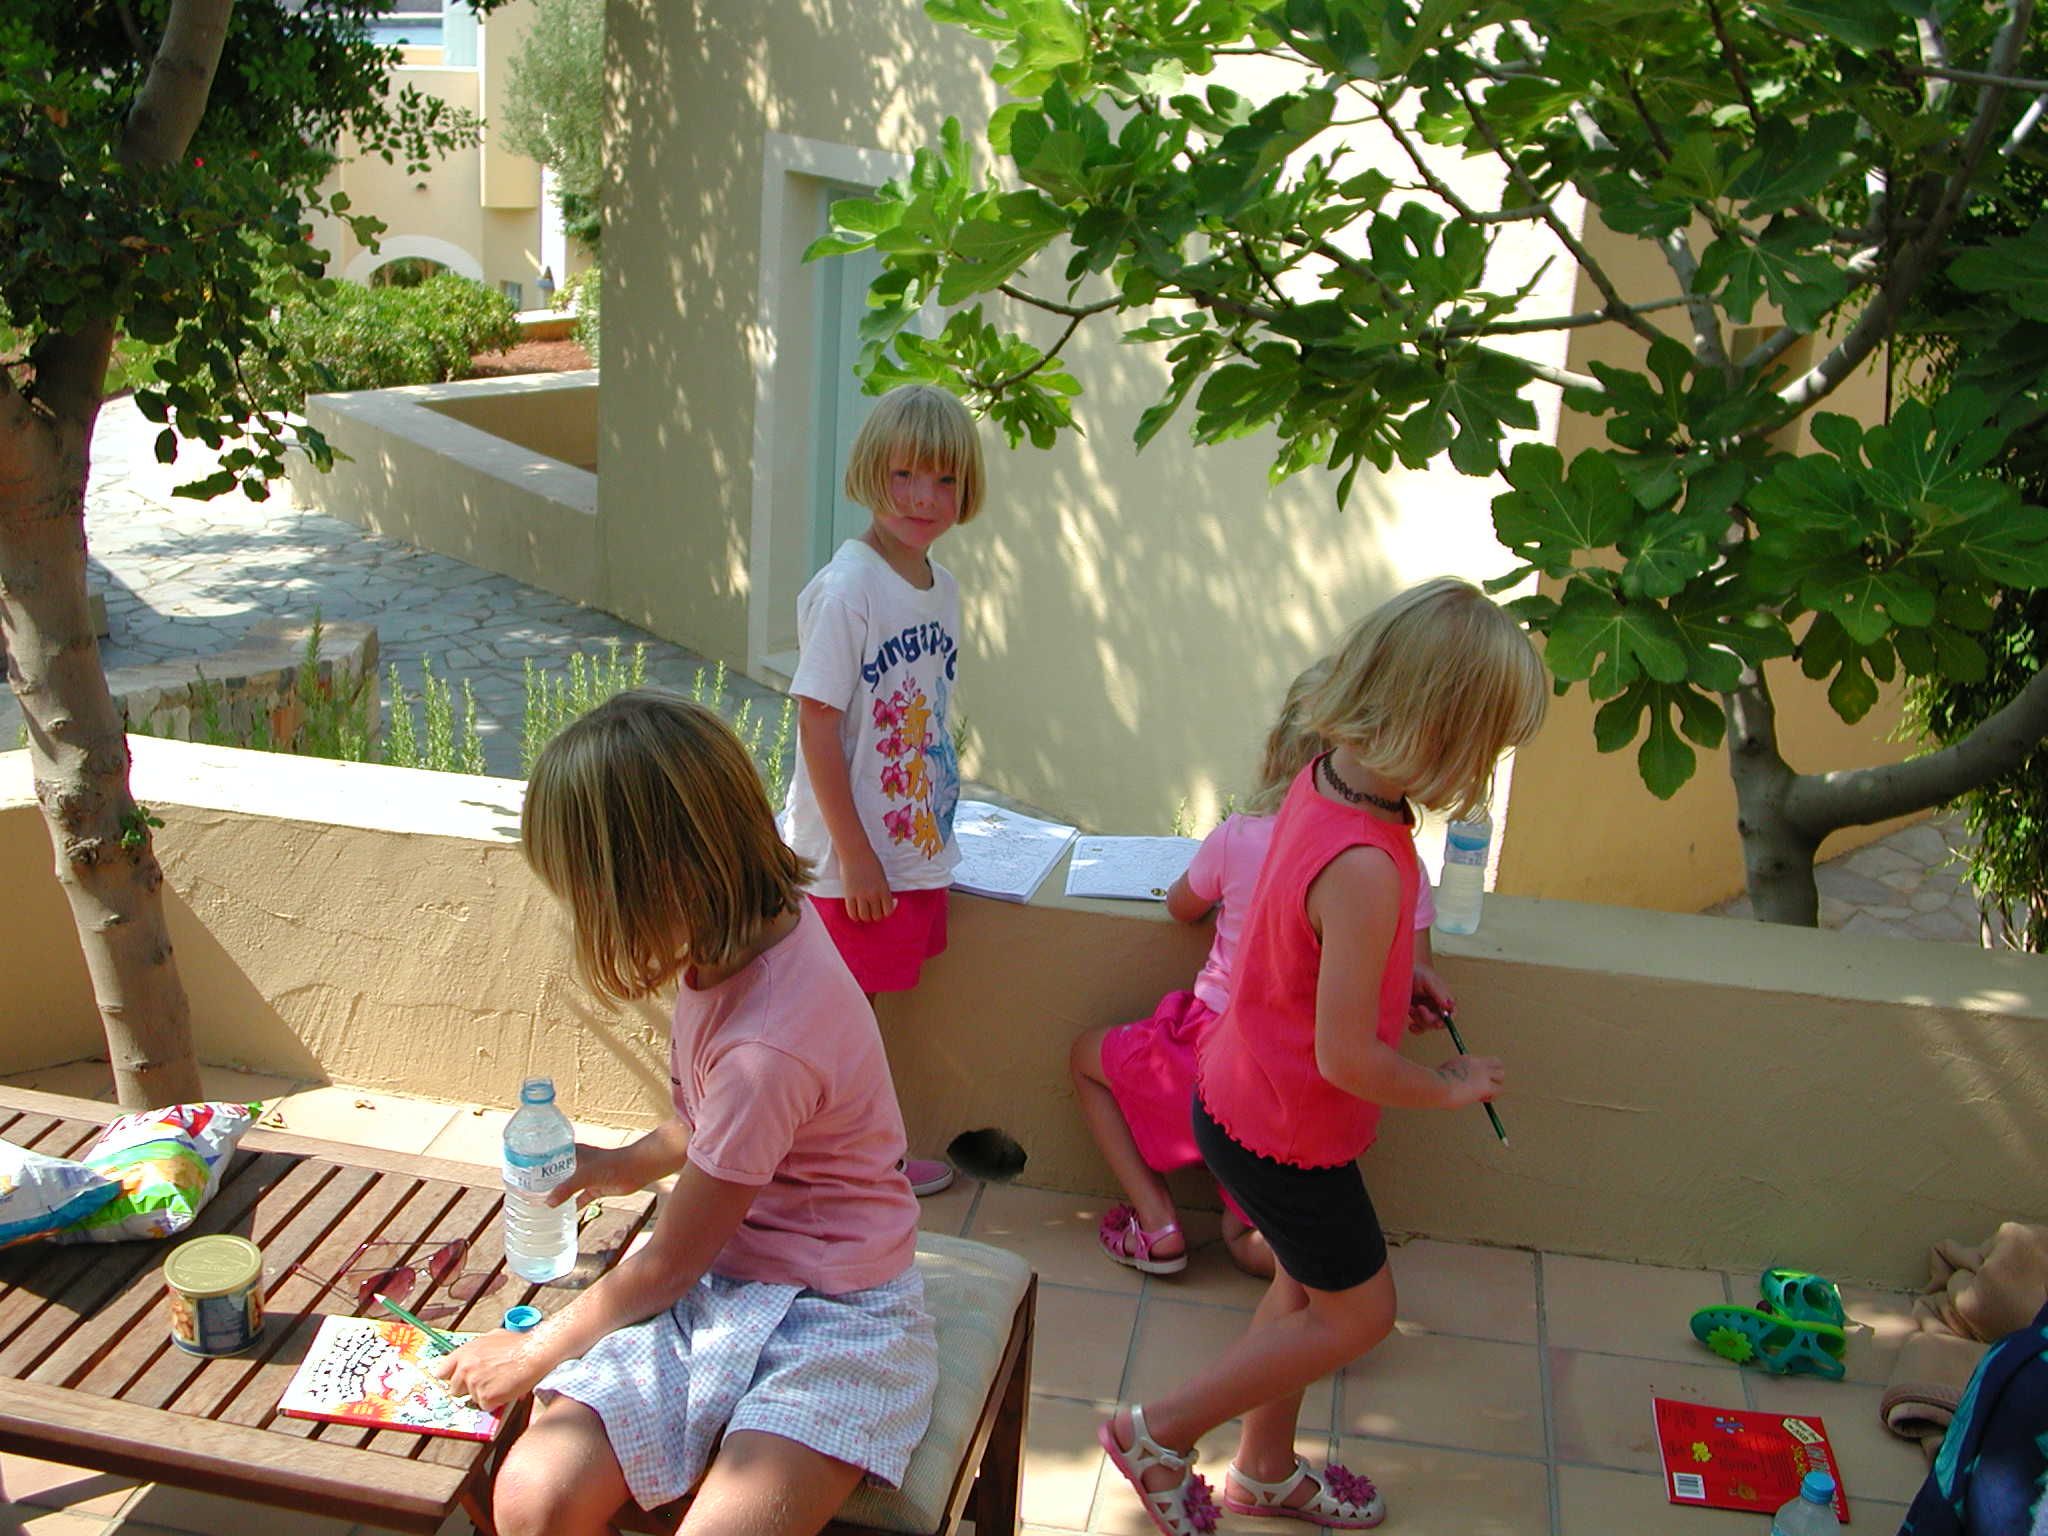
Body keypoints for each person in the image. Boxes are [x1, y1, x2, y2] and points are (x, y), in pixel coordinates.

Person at [1097, 578, 1547, 1533]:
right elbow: (1346, 1058)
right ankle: (1157, 1434)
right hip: (1287, 1129)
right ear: (1444, 730)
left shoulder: (1328, 779)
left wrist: (1395, 977)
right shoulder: (1371, 866)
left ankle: (1263, 1468)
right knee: (1360, 1313)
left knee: (1304, 1288)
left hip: (1242, 1090)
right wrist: (1447, 1086)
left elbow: (1309, 944)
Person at [434, 691, 938, 1536]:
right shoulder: (741, 940)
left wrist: (535, 1350)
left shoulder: (768, 1047)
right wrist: (622, 1165)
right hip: (721, 1281)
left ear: (655, 881)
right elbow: (718, 1130)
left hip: (836, 1314)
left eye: (586, 894)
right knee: (532, 1500)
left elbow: (668, 1262)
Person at [1074, 659, 1454, 1281]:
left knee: (1087, 1058)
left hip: (1205, 1047)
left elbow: (1180, 906)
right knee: (1248, 1231)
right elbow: (1417, 966)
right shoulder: (1394, 859)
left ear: (1280, 749)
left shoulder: (1240, 836)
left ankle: (1157, 1222)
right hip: (1293, 1081)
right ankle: (1294, 1260)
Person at [782, 384, 985, 1197]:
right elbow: (816, 725)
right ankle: (850, 1173)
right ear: (870, 472)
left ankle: (860, 1164)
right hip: (852, 861)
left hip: (909, 849)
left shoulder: (942, 588)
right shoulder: (850, 589)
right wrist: (856, 856)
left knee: (863, 1019)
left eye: (944, 480)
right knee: (841, 1025)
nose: (922, 498)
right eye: (904, 475)